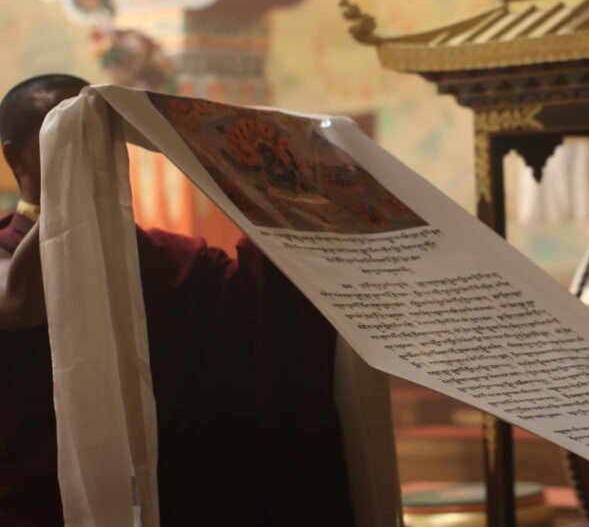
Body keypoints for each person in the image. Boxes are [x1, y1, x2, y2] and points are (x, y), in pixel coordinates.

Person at [0, 75, 354, 526]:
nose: (93, 150)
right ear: (15, 157)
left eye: (102, 135)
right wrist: (67, 187)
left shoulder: (166, 259)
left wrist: (296, 197)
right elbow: (21, 302)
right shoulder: (7, 251)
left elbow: (261, 311)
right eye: (68, 136)